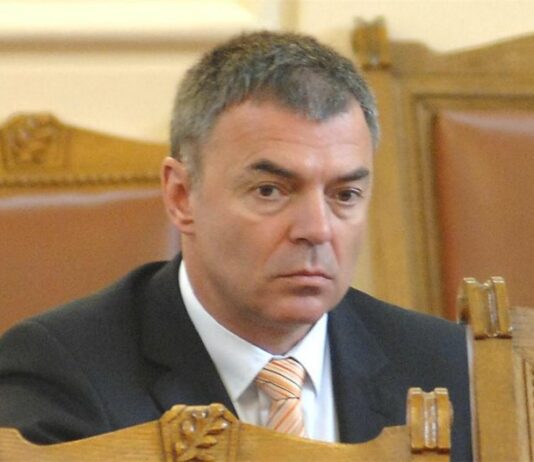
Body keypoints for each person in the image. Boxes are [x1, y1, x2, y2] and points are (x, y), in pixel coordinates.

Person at [0, 31, 472, 460]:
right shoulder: (63, 372)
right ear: (181, 196)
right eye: (270, 191)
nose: (317, 229)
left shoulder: (448, 367)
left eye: (344, 195)